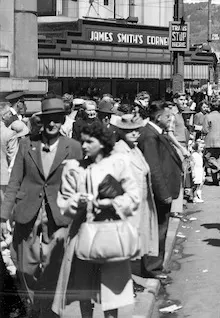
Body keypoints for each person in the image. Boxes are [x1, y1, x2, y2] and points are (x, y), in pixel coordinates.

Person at [0, 97, 83, 316]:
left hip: (59, 214)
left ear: (62, 120)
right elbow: (15, 180)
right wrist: (3, 216)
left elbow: (81, 184)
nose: (52, 124)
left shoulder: (73, 147)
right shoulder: (27, 144)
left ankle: (44, 310)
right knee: (25, 267)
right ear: (42, 120)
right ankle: (37, 304)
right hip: (28, 211)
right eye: (48, 119)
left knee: (52, 267)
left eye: (56, 119)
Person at [52, 122, 139, 318]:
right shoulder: (74, 168)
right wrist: (77, 201)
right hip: (83, 233)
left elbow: (134, 197)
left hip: (112, 231)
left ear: (102, 142)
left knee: (111, 288)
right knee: (83, 286)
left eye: (89, 142)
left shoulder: (119, 163)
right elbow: (64, 203)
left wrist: (111, 202)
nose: (84, 146)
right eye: (82, 142)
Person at [138, 101, 182, 280]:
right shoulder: (150, 136)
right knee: (157, 230)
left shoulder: (155, 133)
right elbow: (153, 167)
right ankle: (153, 267)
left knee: (161, 229)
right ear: (158, 117)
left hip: (163, 191)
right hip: (158, 193)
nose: (171, 118)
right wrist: (163, 194)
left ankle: (156, 264)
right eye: (167, 116)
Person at [111, 114, 159, 274]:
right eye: (129, 131)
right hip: (128, 205)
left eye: (137, 131)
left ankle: (132, 276)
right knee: (127, 242)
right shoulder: (119, 151)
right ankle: (126, 280)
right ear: (121, 131)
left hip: (141, 202)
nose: (135, 134)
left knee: (138, 240)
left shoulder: (135, 148)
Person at [202, 98, 220, 185]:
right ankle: (215, 181)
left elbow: (205, 130)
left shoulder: (207, 116)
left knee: (207, 158)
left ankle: (219, 168)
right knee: (215, 158)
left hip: (210, 140)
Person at [190, 139, 205, 203]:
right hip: (196, 170)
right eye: (200, 147)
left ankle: (197, 195)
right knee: (195, 185)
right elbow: (192, 164)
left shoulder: (200, 154)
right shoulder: (194, 155)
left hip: (200, 170)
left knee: (199, 183)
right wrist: (193, 172)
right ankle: (195, 197)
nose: (202, 149)